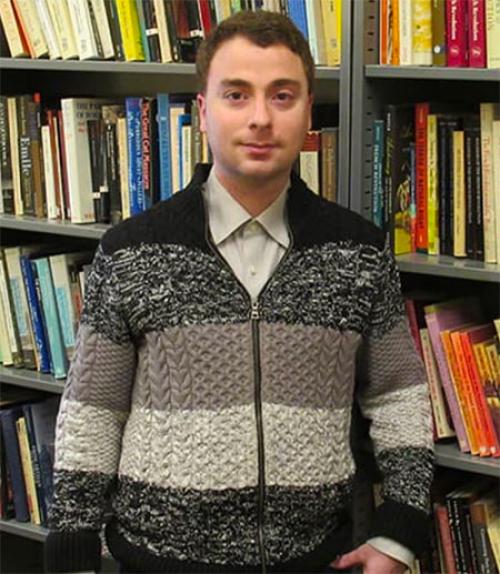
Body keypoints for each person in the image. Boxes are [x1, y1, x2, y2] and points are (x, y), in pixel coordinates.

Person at [45, 10, 434, 574]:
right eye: (236, 94)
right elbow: (92, 414)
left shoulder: (358, 253)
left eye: (282, 96)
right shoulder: (131, 252)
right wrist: (73, 552)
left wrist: (399, 533)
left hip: (315, 558)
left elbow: (399, 397)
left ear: (307, 114)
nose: (260, 118)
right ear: (203, 112)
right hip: (156, 560)